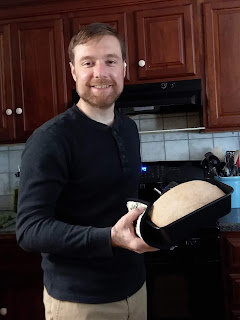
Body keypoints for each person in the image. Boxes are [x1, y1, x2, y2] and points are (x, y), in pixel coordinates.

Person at [16, 22, 157, 320]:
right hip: (80, 302)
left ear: (124, 68)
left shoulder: (128, 128)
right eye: (88, 63)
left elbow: (119, 201)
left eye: (110, 61)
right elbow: (29, 229)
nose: (100, 73)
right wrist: (109, 237)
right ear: (73, 72)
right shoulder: (50, 140)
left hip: (134, 287)